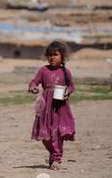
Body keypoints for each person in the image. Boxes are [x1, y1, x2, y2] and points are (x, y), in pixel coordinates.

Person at [28, 41, 76, 170]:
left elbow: (71, 86)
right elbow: (34, 81)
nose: (52, 57)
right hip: (46, 107)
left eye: (55, 55)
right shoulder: (43, 70)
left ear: (62, 57)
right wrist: (32, 87)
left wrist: (68, 91)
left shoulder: (66, 72)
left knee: (57, 134)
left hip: (60, 107)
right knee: (45, 136)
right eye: (49, 55)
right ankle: (52, 153)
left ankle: (56, 159)